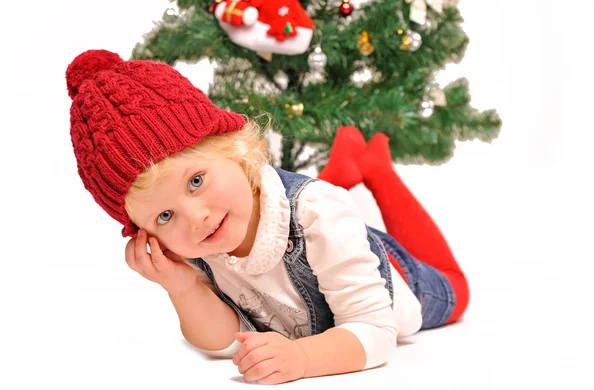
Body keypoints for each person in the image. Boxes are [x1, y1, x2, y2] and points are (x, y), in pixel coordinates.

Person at [66, 49, 470, 385]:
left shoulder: (318, 213)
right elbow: (224, 340)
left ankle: (378, 171)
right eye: (165, 215)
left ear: (232, 148)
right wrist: (183, 288)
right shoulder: (194, 246)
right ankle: (342, 169)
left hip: (389, 274)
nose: (196, 218)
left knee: (454, 288)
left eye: (196, 181)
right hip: (315, 233)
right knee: (310, 216)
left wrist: (302, 359)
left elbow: (376, 331)